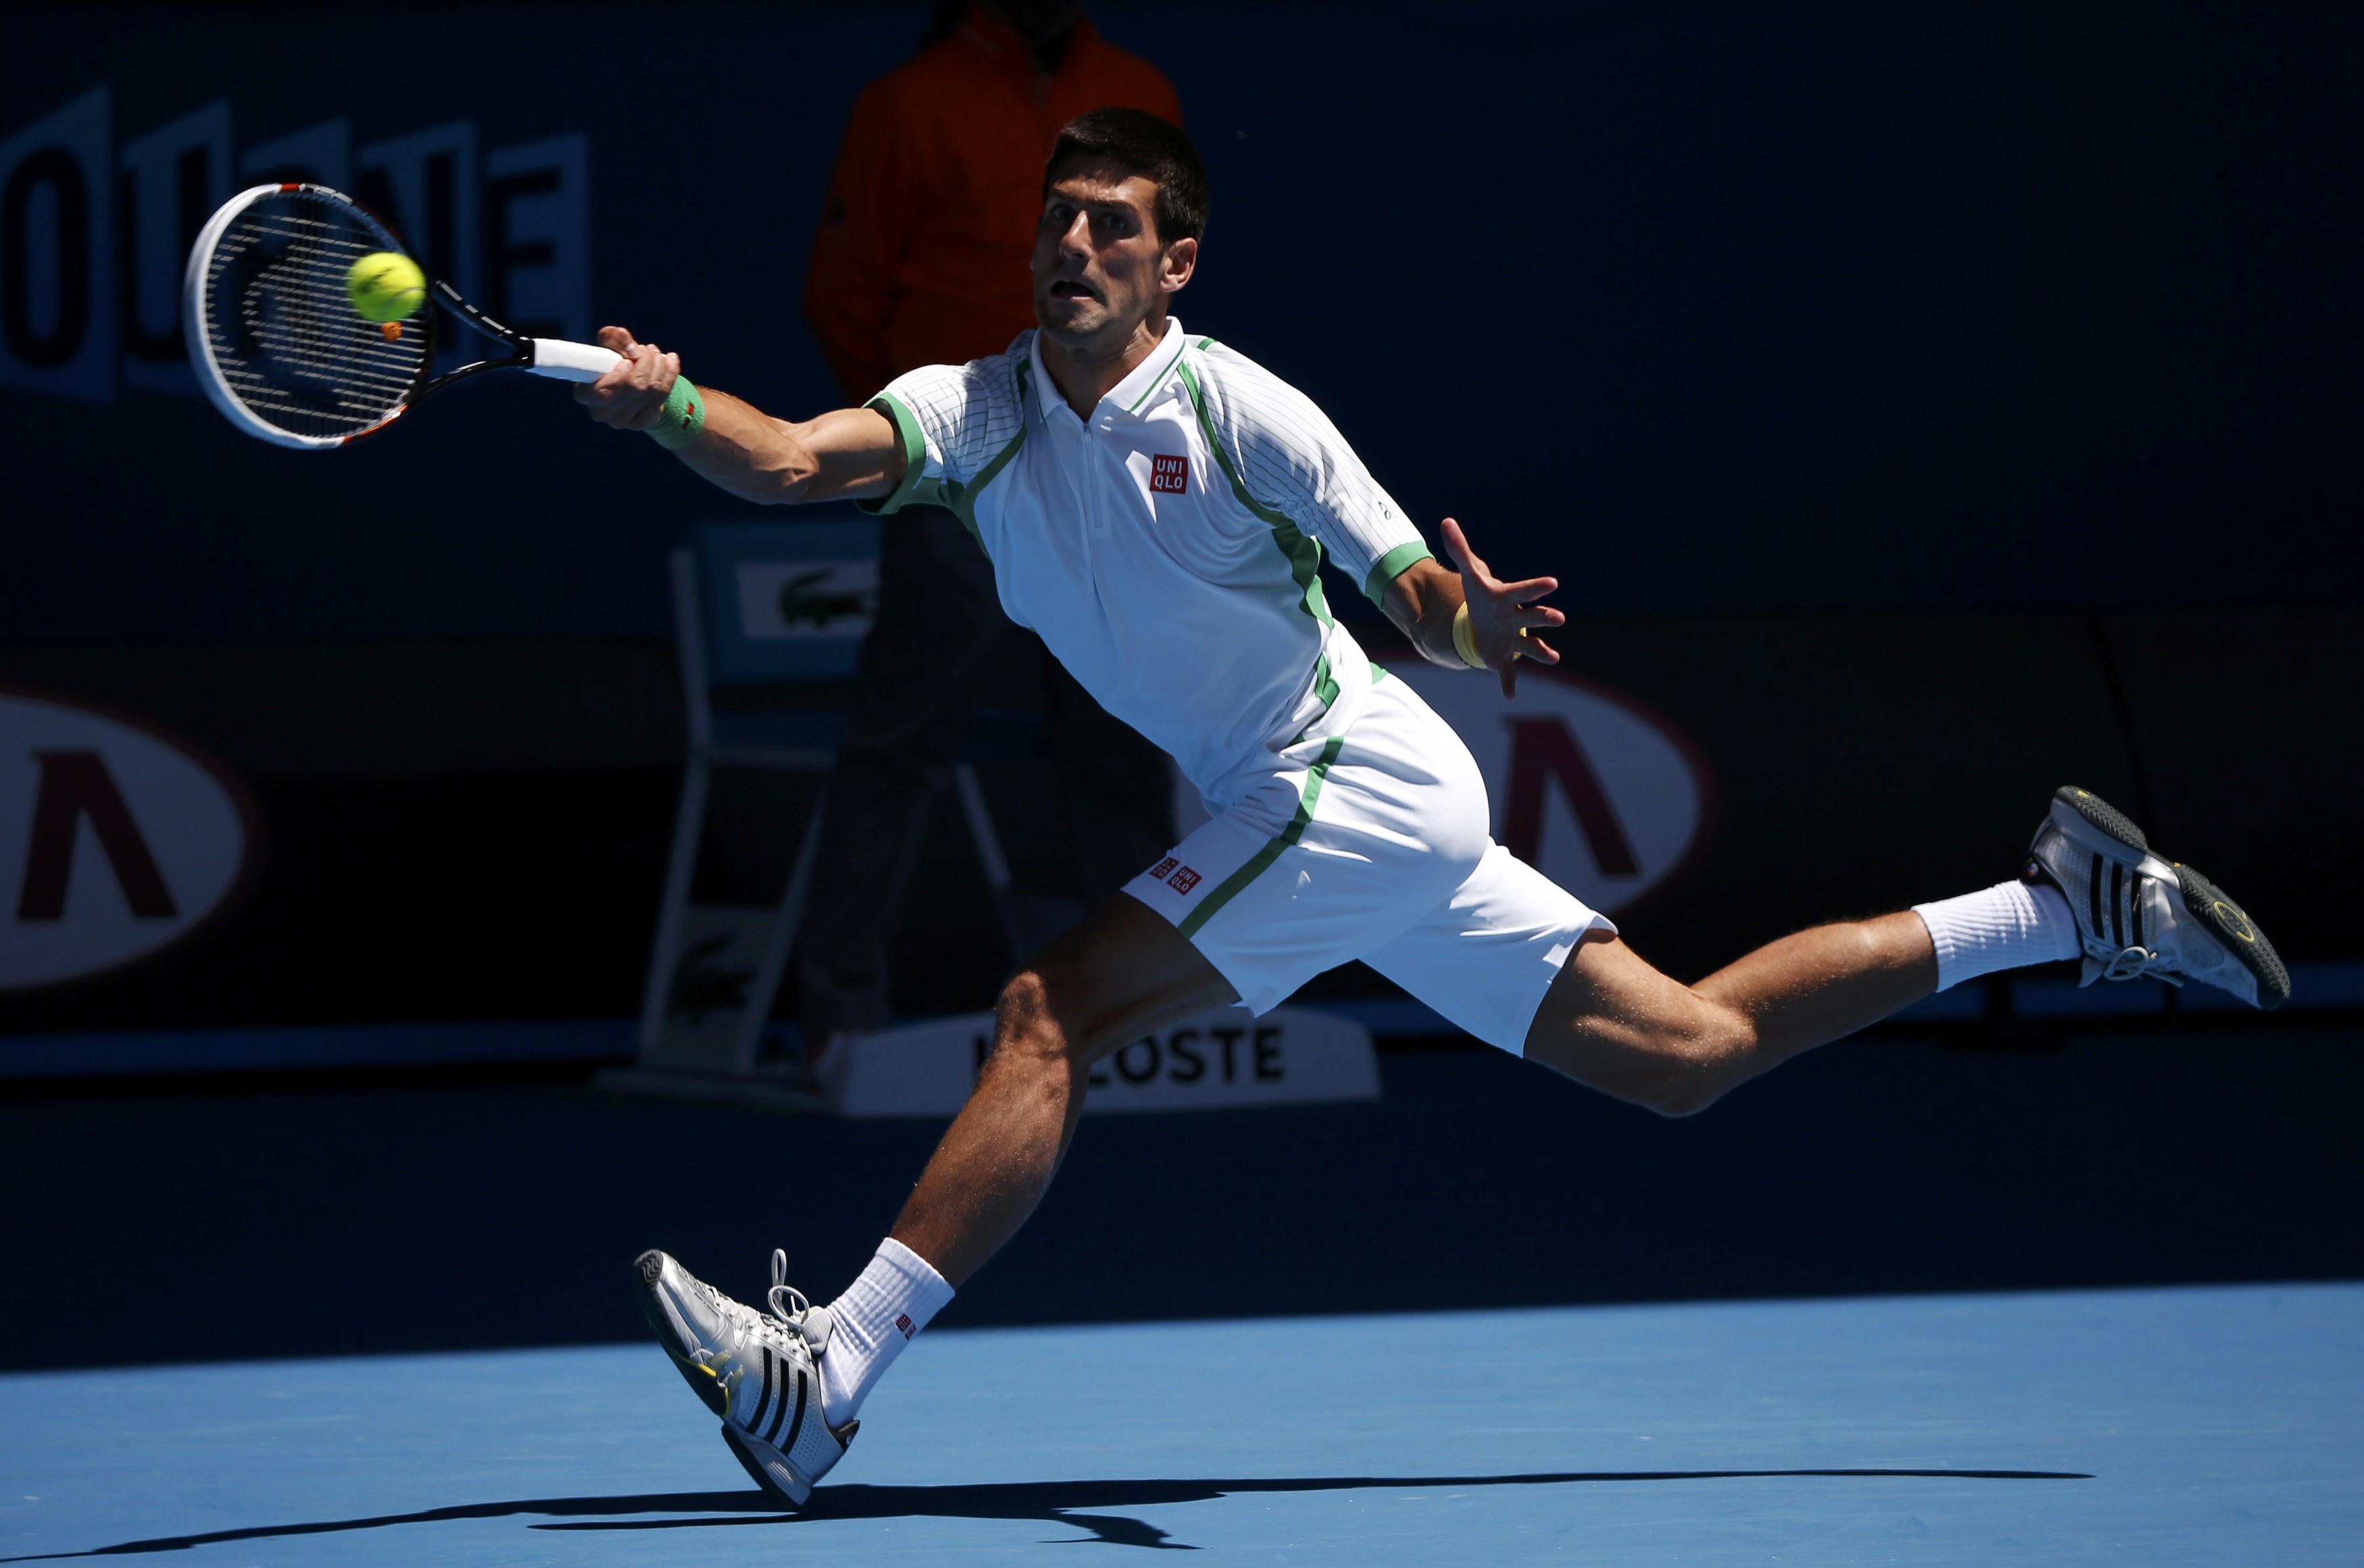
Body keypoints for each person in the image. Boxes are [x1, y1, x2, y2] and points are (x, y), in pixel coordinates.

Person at [578, 109, 2288, 1504]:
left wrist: (1471, 622)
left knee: (1050, 1013)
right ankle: (2063, 905)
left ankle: (830, 1375)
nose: (1074, 246)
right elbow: (791, 457)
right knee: (1682, 1058)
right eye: (1059, 219)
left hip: (1349, 779)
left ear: (1174, 263)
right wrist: (662, 403)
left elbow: (1415, 596)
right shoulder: (978, 412)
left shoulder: (1241, 408)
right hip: (1349, 810)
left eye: (1115, 226)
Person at [796, 0, 1184, 1053]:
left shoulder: (1140, 90)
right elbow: (843, 296)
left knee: (1125, 747)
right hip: (958, 479)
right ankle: (839, 1018)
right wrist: (920, 447)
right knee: (899, 744)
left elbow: (1160, 282)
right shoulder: (908, 106)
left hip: (1107, 482)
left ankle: (1143, 1024)